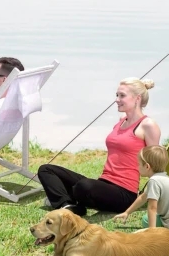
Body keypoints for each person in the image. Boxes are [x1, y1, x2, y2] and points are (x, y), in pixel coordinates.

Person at [37, 78, 160, 216]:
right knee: (46, 170)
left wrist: (156, 194)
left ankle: (68, 198)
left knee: (83, 187)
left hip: (125, 193)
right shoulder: (121, 121)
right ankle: (68, 206)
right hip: (103, 184)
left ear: (137, 98)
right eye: (117, 95)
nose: (117, 100)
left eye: (122, 96)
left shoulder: (148, 125)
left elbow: (156, 162)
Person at [113, 145, 169, 233]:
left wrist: (152, 231)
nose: (137, 167)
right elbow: (143, 197)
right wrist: (127, 212)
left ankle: (158, 230)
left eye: (138, 164)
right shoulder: (163, 177)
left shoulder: (154, 181)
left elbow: (152, 208)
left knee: (146, 220)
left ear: (147, 166)